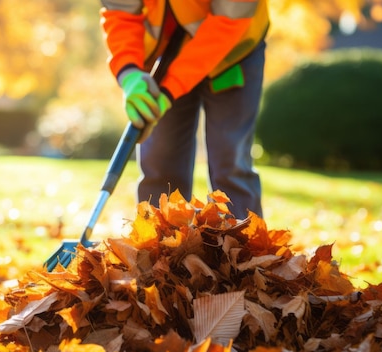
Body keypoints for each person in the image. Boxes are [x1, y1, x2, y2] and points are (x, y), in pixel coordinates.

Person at [100, 0, 269, 219]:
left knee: (230, 162)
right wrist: (129, 71)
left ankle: (244, 248)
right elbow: (120, 10)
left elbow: (229, 20)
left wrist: (169, 90)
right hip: (167, 50)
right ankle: (157, 245)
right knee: (161, 162)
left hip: (234, 50)